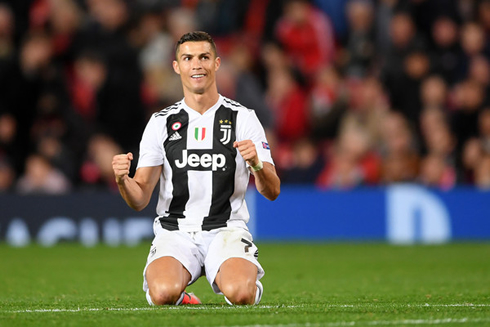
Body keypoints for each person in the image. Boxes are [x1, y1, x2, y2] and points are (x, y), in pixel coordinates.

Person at [112, 31, 280, 306]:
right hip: (175, 231)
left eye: (204, 57)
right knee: (163, 293)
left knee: (241, 295)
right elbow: (140, 197)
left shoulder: (243, 118)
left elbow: (272, 190)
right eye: (188, 58)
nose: (197, 65)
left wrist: (257, 165)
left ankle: (246, 285)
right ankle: (182, 294)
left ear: (216, 63)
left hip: (227, 229)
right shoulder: (160, 123)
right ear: (177, 66)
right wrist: (122, 180)